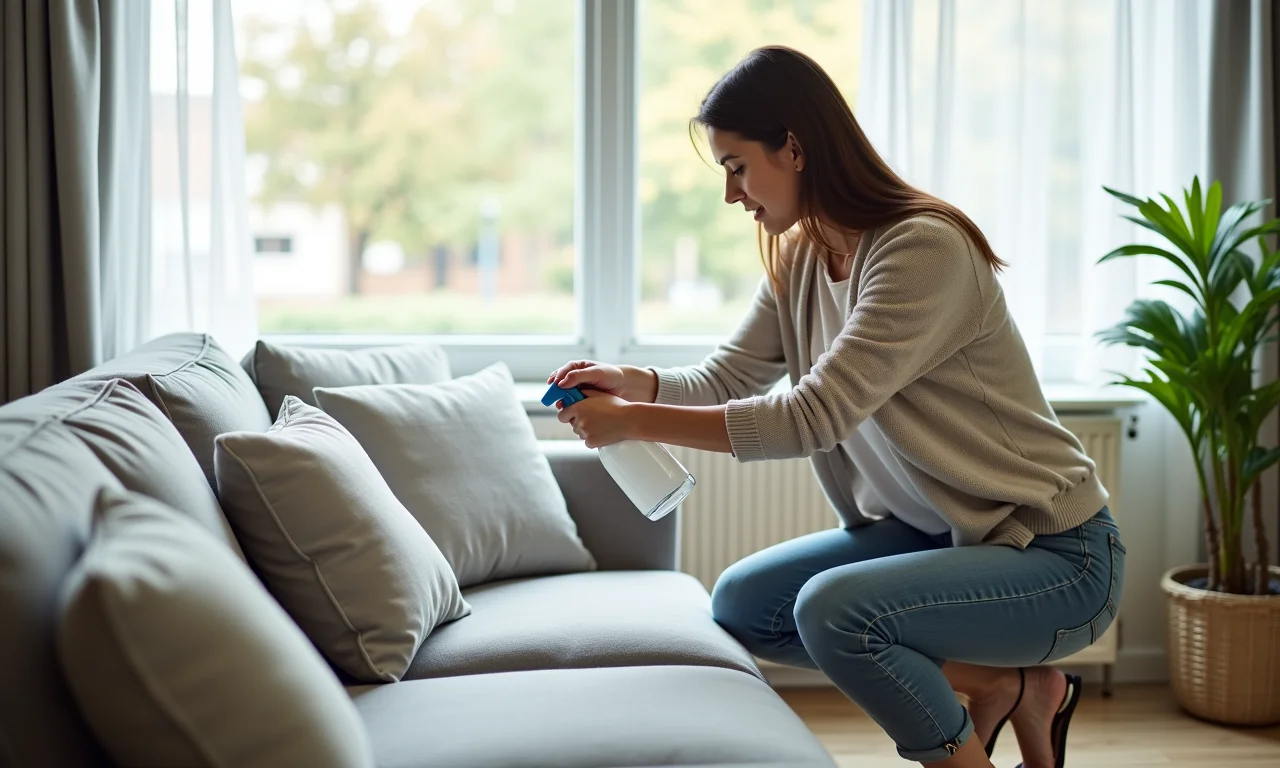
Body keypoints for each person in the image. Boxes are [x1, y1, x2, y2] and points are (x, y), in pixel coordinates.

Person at [548, 45, 1124, 768]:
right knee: (744, 603)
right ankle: (1008, 687)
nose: (731, 194)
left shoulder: (921, 250)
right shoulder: (802, 256)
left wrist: (635, 423)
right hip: (938, 534)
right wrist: (638, 383)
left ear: (793, 148)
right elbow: (732, 375)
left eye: (735, 166)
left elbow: (811, 417)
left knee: (834, 610)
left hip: (1055, 556)